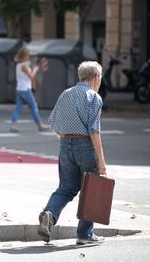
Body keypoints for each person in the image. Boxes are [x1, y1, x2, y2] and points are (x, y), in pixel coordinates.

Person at [37, 61, 107, 245]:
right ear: (96, 77)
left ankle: (50, 214)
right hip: (85, 145)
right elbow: (94, 130)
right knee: (89, 190)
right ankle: (84, 234)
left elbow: (54, 123)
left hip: (65, 143)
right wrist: (101, 161)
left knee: (66, 188)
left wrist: (67, 140)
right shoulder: (93, 97)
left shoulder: (65, 94)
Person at [10, 48, 49, 132]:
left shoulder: (18, 65)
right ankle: (40, 125)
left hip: (19, 89)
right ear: (25, 56)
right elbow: (31, 76)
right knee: (34, 106)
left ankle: (13, 125)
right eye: (28, 55)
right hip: (25, 89)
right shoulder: (24, 66)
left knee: (18, 108)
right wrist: (35, 70)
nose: (29, 56)